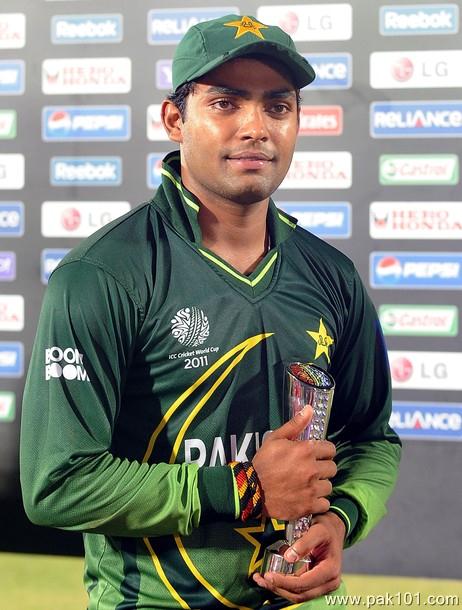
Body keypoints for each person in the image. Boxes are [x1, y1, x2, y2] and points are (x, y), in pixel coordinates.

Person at [20, 14, 401, 610]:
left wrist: (340, 519)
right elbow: (58, 484)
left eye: (278, 107)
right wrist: (245, 489)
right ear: (175, 120)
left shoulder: (331, 274)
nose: (256, 127)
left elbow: (372, 437)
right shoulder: (102, 275)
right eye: (225, 103)